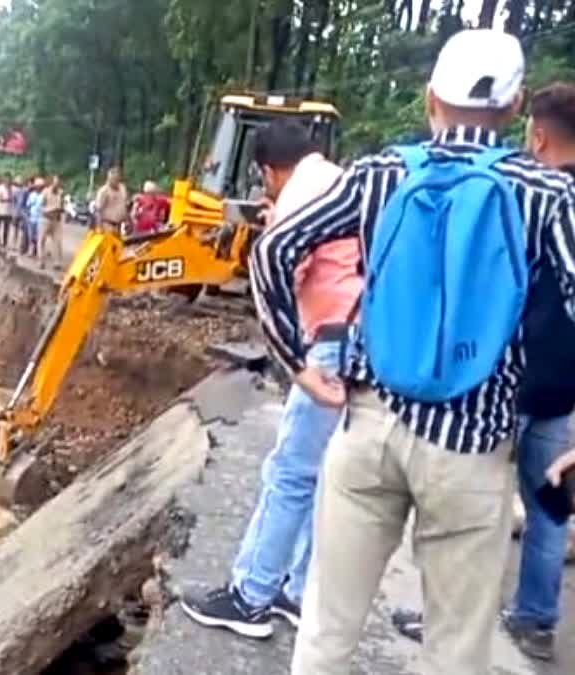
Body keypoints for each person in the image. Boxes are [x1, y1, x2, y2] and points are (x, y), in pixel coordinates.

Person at [249, 29, 575, 674]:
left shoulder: (380, 174)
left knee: (325, 630)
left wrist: (299, 364)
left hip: (369, 430)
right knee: (456, 650)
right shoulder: (547, 194)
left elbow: (272, 251)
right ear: (513, 110)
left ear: (431, 97)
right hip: (474, 449)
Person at [388, 81, 575, 663]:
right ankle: (536, 618)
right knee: (550, 506)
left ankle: (444, 619)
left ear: (537, 134)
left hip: (504, 379)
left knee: (476, 506)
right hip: (564, 387)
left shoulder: (526, 195)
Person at [179, 120, 360, 639]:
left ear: (266, 171)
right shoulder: (333, 177)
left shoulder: (299, 194)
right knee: (322, 474)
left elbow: (288, 271)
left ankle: (251, 596)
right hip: (357, 340)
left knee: (290, 473)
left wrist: (276, 229)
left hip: (328, 342)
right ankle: (297, 591)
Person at [39, 176, 65, 268]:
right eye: (55, 183)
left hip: (56, 219)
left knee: (57, 241)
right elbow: (41, 205)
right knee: (42, 240)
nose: (56, 185)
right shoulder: (46, 191)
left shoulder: (61, 193)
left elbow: (62, 206)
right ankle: (41, 261)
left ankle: (57, 262)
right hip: (46, 218)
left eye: (58, 183)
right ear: (52, 183)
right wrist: (47, 211)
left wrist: (60, 209)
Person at [94, 167, 129, 233]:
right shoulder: (103, 191)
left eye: (117, 179)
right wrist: (99, 227)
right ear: (108, 178)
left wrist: (127, 220)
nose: (115, 181)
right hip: (107, 225)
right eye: (113, 179)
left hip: (120, 226)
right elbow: (98, 211)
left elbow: (125, 206)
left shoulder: (122, 188)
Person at [25, 177, 45, 259]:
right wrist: (28, 214)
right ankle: (31, 250)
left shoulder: (44, 195)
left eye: (40, 186)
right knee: (31, 236)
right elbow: (28, 206)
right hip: (32, 218)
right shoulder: (31, 195)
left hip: (41, 219)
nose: (38, 187)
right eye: (37, 186)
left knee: (39, 236)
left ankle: (38, 252)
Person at [0, 177, 13, 248]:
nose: (8, 182)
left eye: (9, 181)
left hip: (8, 211)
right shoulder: (0, 188)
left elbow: (13, 199)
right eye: (7, 180)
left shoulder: (11, 189)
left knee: (6, 228)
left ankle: (5, 243)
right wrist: (7, 199)